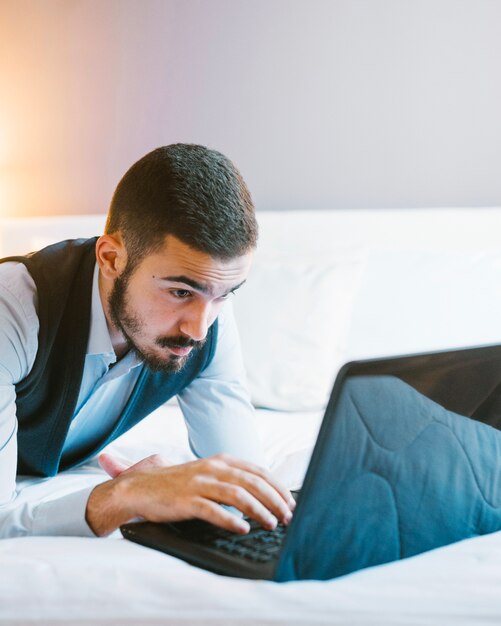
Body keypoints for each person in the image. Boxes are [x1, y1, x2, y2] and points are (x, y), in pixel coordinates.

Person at [0, 144, 295, 538]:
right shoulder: (14, 309)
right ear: (111, 258)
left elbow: (242, 482)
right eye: (179, 292)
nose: (198, 330)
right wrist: (120, 497)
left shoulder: (208, 320)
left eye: (224, 294)